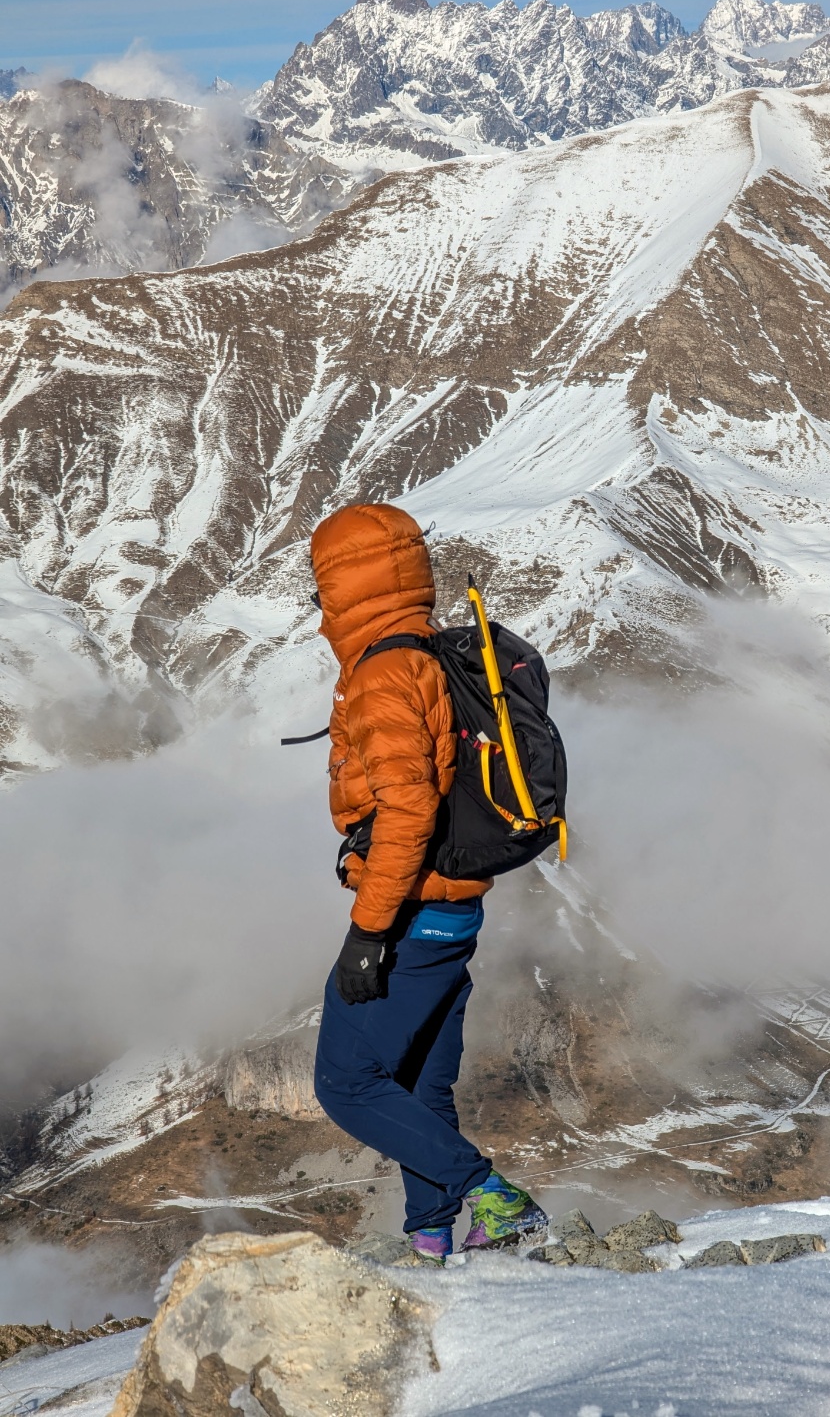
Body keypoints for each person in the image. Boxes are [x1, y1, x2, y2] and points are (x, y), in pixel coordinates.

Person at [309, 502, 548, 1263]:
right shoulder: (427, 653)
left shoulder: (384, 673)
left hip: (410, 915)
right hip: (453, 910)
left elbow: (409, 810)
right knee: (419, 1089)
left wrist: (368, 931)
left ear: (345, 586)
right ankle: (430, 1242)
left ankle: (490, 1193)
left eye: (320, 585)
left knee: (347, 1083)